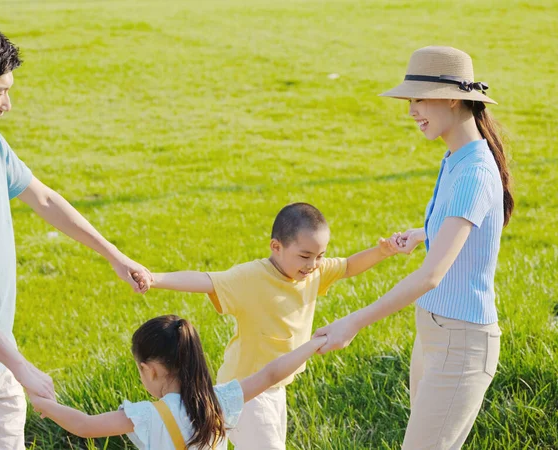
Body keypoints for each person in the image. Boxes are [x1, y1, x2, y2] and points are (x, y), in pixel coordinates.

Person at [0, 23, 153, 449]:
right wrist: (21, 366)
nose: (7, 104)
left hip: (0, 363)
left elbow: (44, 199)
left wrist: (114, 255)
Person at [313, 46, 513, 449]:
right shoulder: (456, 157)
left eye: (419, 98)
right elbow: (468, 224)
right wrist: (424, 233)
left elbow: (432, 274)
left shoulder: (474, 170)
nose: (411, 111)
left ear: (453, 97)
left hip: (461, 342)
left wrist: (354, 321)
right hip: (435, 333)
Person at [139, 202, 403, 449]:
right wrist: (154, 278)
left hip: (275, 385)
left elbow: (347, 266)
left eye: (320, 256)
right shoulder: (252, 277)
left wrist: (382, 251)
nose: (312, 265)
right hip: (246, 389)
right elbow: (205, 280)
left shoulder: (312, 273)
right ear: (276, 246)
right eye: (304, 256)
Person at [29, 315, 329, 450]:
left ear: (150, 370)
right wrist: (313, 344)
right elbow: (271, 373)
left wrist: (46, 405)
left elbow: (86, 426)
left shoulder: (148, 415)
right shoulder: (219, 401)